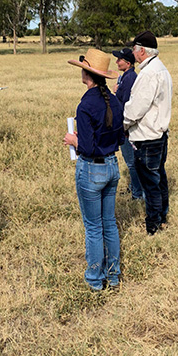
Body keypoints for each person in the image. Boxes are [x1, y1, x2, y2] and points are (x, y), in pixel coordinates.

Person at [63, 49, 124, 291]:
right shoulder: (114, 100)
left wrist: (73, 140)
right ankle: (114, 275)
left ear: (87, 73)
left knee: (93, 227)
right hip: (112, 166)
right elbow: (119, 137)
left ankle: (95, 279)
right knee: (109, 223)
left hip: (91, 170)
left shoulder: (85, 105)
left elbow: (87, 147)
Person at [123, 30, 173, 235]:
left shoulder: (148, 74)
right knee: (159, 177)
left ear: (142, 51)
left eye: (134, 49)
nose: (133, 53)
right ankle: (162, 217)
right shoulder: (161, 69)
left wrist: (123, 123)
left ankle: (153, 226)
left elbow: (137, 108)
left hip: (147, 137)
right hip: (160, 134)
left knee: (150, 184)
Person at [111, 47, 143, 201]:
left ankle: (137, 194)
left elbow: (125, 105)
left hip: (127, 128)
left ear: (128, 63)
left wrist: (115, 93)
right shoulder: (126, 76)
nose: (117, 62)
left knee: (132, 163)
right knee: (131, 162)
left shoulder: (130, 79)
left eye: (120, 59)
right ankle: (134, 188)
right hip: (126, 126)